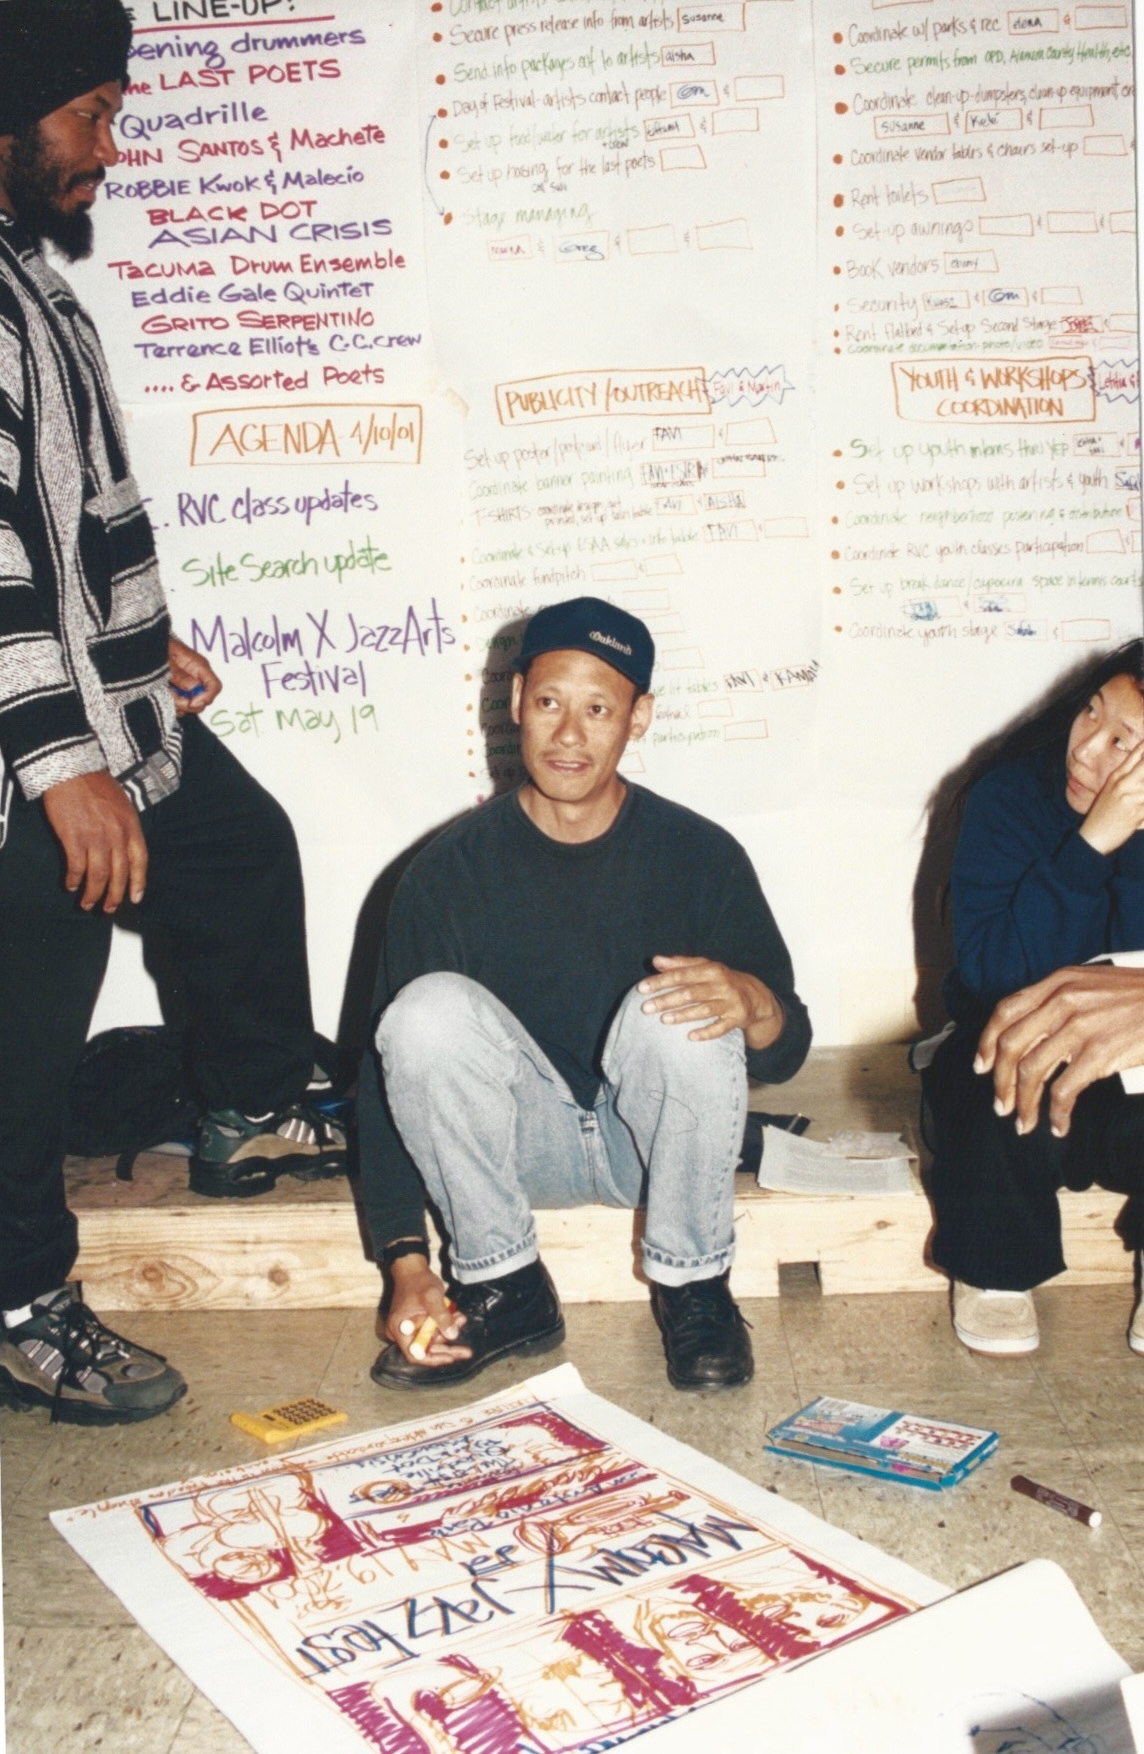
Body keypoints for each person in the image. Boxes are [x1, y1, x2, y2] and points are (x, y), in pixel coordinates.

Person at [0, 0, 345, 1426]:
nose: (109, 147)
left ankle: (246, 1099)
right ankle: (23, 1306)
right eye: (89, 115)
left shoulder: (28, 275)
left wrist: (143, 641)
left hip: (93, 693)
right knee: (28, 1025)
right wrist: (59, 761)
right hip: (28, 743)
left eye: (114, 115)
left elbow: (62, 513)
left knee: (236, 843)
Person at [359, 596, 811, 1392]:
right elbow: (381, 1078)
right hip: (514, 1153)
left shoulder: (702, 855)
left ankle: (694, 1287)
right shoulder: (445, 872)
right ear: (514, 704)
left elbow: (787, 1050)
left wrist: (753, 1000)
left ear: (639, 718)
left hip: (653, 1153)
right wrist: (405, 1262)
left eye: (598, 709)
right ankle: (507, 1286)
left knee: (668, 1007)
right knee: (422, 1012)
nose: (569, 736)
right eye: (548, 704)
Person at [923, 640, 1144, 1356]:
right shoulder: (1011, 794)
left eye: (1123, 742)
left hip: (1129, 1076)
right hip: (1017, 1041)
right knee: (991, 1068)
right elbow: (994, 973)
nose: (1086, 749)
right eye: (1090, 712)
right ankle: (995, 1270)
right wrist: (1091, 846)